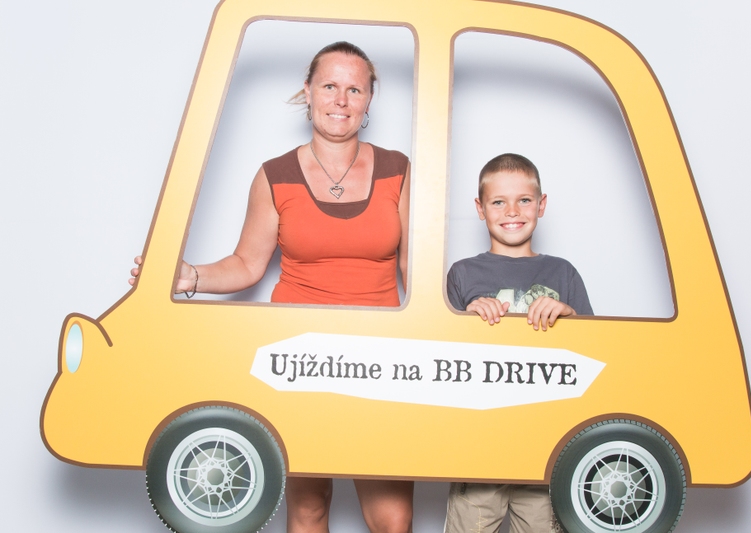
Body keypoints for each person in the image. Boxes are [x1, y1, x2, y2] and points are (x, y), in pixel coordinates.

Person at [131, 42, 412, 533]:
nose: (340, 100)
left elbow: (417, 270)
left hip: (380, 360)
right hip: (300, 359)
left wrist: (471, 305)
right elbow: (246, 264)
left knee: (393, 518)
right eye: (329, 86)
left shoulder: (399, 169)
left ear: (370, 98)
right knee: (308, 508)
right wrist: (190, 276)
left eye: (354, 89)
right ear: (308, 91)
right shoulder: (274, 175)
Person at [445, 153, 592, 533]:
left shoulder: (563, 272)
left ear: (541, 205)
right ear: (480, 208)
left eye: (524, 200)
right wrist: (466, 320)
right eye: (498, 202)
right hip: (480, 441)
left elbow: (595, 355)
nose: (512, 211)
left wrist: (569, 316)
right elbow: (442, 362)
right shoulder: (461, 274)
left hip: (547, 441)